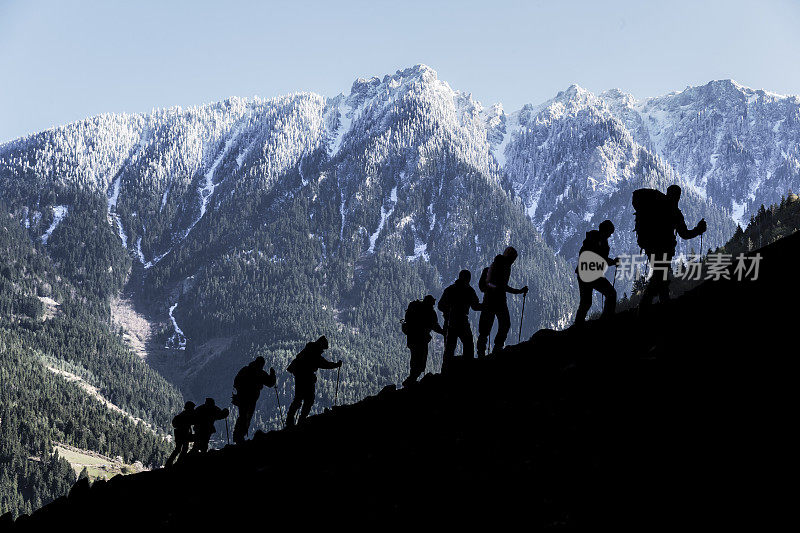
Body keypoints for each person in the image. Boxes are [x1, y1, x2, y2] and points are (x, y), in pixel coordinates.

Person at [633, 184, 707, 307]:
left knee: (661, 277)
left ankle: (661, 302)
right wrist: (699, 230)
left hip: (651, 248)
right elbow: (685, 234)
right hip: (664, 250)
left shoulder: (656, 206)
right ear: (678, 196)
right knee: (660, 277)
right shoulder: (674, 212)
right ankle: (645, 306)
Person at [477, 247, 528, 357]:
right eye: (513, 258)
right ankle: (497, 348)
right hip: (499, 301)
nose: (513, 261)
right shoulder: (505, 267)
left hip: (488, 301)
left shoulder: (491, 268)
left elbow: (485, 286)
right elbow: (503, 287)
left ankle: (481, 353)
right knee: (505, 324)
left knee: (485, 329)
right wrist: (518, 291)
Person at [286, 336, 341, 427]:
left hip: (300, 377)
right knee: (309, 399)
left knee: (298, 398)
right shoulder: (314, 353)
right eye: (323, 348)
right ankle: (302, 419)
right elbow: (324, 364)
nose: (323, 350)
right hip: (307, 378)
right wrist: (336, 365)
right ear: (321, 345)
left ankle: (290, 420)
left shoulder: (308, 350)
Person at [574, 220, 619, 325]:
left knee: (586, 302)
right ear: (605, 231)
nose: (609, 236)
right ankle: (606, 319)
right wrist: (613, 262)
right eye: (609, 233)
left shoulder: (592, 239)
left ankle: (578, 325)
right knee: (611, 294)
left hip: (584, 273)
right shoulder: (599, 242)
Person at [438, 270, 483, 371]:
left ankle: (445, 371)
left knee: (449, 349)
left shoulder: (450, 289)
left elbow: (440, 305)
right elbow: (475, 306)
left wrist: (448, 311)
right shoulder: (469, 290)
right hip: (463, 321)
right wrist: (486, 306)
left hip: (450, 322)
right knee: (468, 346)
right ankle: (467, 368)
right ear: (468, 278)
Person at [401, 295, 445, 387]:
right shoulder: (430, 312)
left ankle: (411, 379)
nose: (433, 305)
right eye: (433, 303)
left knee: (415, 359)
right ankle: (411, 380)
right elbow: (435, 326)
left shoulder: (415, 308)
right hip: (421, 340)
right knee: (421, 361)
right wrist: (443, 332)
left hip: (412, 339)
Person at [231, 356, 276, 444]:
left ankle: (238, 436)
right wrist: (272, 374)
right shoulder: (260, 373)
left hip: (241, 398)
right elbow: (270, 383)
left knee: (242, 416)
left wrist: (240, 390)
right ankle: (240, 436)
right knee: (247, 417)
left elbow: (235, 382)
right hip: (251, 399)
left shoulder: (245, 370)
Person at [165, 401, 195, 467]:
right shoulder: (187, 415)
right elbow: (193, 421)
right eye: (192, 408)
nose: (193, 409)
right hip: (184, 434)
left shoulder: (182, 414)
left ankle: (169, 463)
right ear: (189, 408)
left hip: (178, 434)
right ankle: (179, 462)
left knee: (178, 449)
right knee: (184, 449)